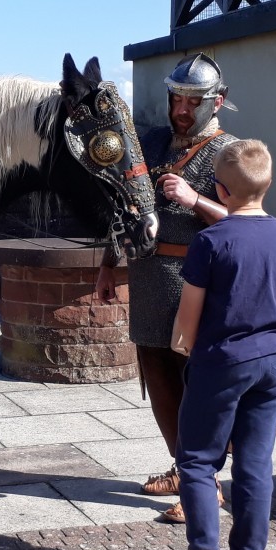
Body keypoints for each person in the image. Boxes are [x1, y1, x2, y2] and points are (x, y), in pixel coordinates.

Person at [96, 53, 236, 522]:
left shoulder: (229, 153)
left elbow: (244, 220)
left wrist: (195, 199)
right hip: (148, 278)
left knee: (197, 388)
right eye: (176, 97)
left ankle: (206, 484)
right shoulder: (152, 143)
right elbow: (122, 205)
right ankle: (184, 470)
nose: (181, 108)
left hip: (197, 283)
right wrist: (107, 265)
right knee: (158, 381)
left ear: (217, 102)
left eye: (192, 101)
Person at [166, 139, 276, 550]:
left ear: (220, 190)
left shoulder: (211, 241)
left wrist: (182, 347)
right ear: (267, 185)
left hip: (221, 362)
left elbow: (189, 315)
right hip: (274, 364)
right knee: (254, 465)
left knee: (198, 462)